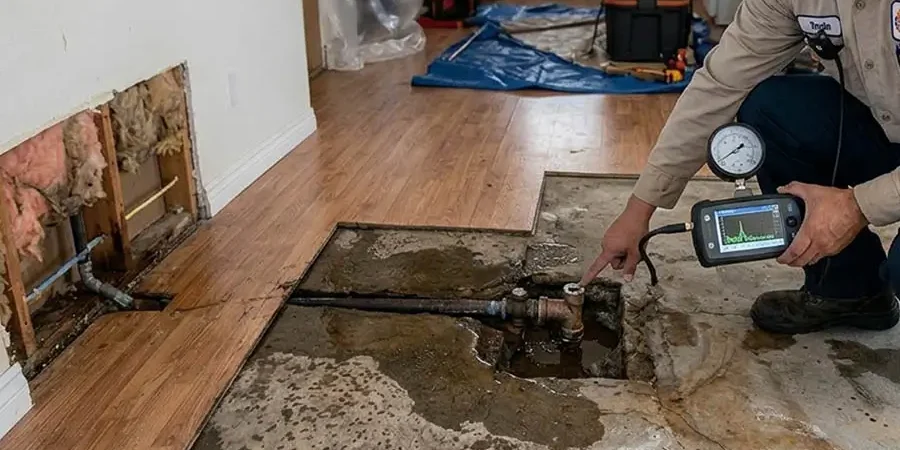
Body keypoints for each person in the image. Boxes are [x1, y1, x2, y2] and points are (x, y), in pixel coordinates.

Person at [580, 0, 900, 334]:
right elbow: (721, 85)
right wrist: (639, 210)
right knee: (770, 109)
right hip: (884, 125)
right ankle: (850, 291)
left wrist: (860, 204)